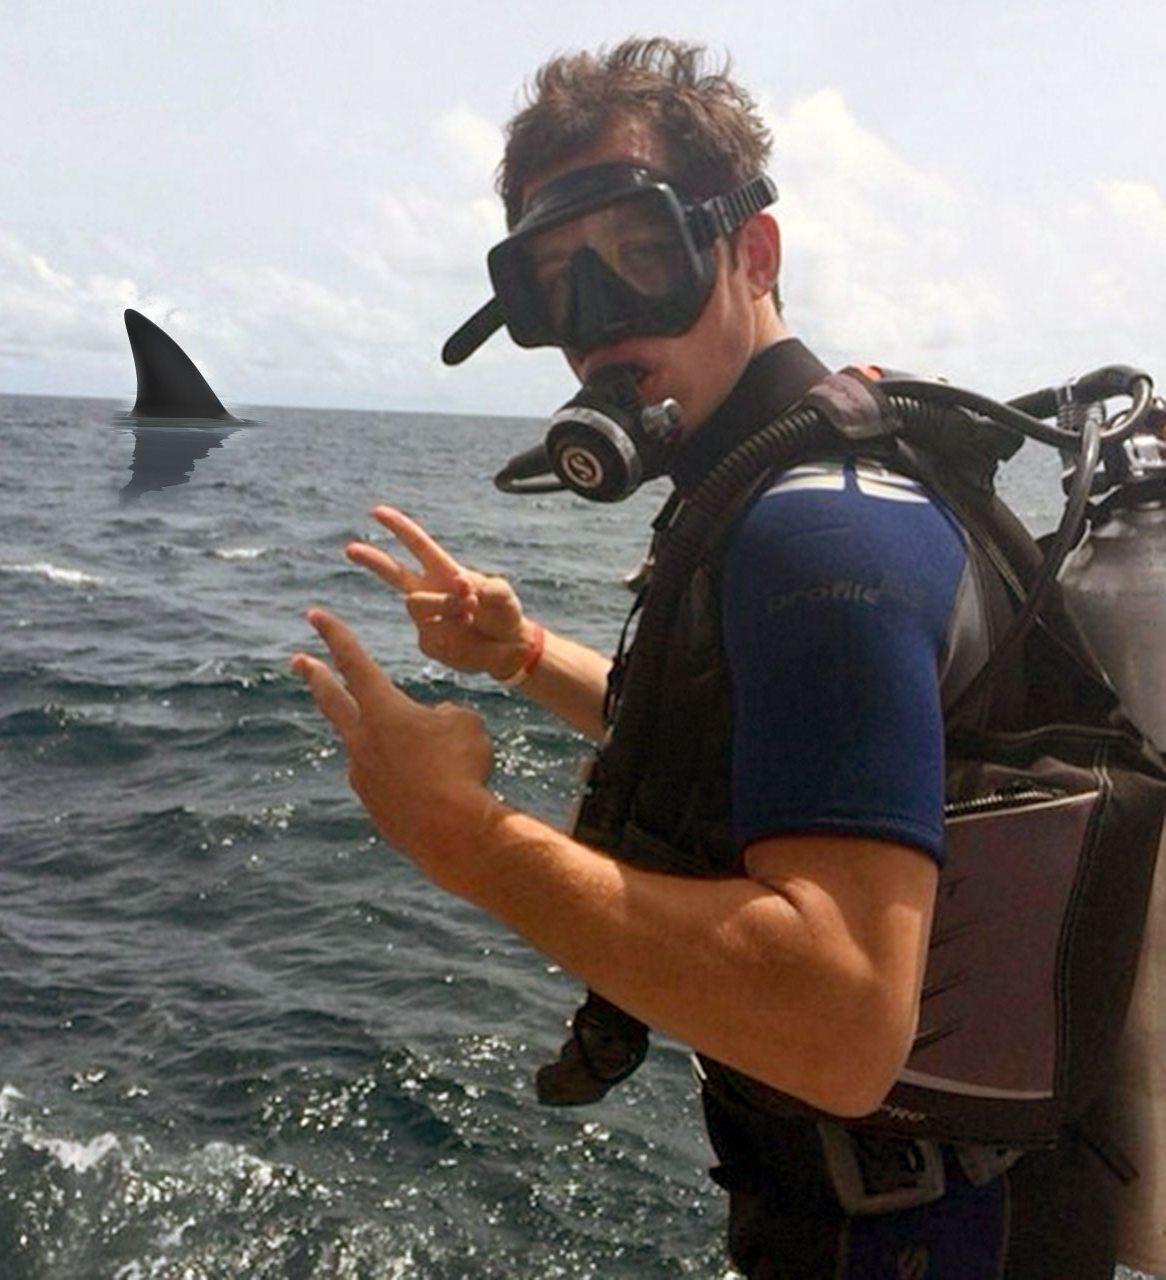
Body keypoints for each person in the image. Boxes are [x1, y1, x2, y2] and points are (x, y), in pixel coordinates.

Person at [292, 37, 1122, 1277]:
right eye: (554, 292)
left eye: (640, 259)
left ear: (751, 252)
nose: (601, 333)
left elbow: (838, 1017)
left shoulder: (812, 529)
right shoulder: (791, 482)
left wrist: (458, 832)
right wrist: (520, 653)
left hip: (916, 1240)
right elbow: (772, 744)